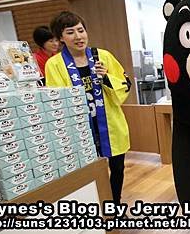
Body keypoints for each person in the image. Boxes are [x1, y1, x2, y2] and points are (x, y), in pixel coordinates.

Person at [45, 11, 131, 205]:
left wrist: (106, 77)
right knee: (89, 171)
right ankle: (93, 205)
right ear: (60, 38)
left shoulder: (103, 56)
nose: (78, 36)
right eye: (70, 32)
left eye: (80, 30)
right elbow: (57, 99)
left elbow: (125, 84)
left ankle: (114, 204)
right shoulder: (54, 64)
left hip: (110, 125)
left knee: (117, 168)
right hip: (80, 129)